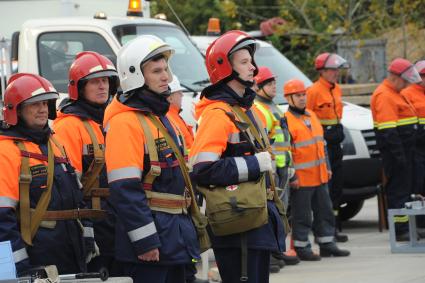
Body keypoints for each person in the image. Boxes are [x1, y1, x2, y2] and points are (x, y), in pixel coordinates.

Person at [189, 30, 286, 283]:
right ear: (224, 68)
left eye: (251, 61)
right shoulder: (217, 114)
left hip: (253, 221)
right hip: (238, 227)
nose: (253, 67)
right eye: (244, 62)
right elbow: (202, 169)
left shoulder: (244, 110)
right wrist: (255, 164)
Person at [103, 35, 201, 283]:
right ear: (135, 75)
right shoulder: (125, 123)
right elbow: (125, 190)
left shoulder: (159, 117)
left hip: (174, 237)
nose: (166, 76)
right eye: (156, 71)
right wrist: (145, 242)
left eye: (166, 69)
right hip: (151, 248)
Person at [0, 73, 96, 274]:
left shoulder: (54, 143)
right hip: (36, 255)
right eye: (35, 104)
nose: (43, 109)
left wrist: (87, 237)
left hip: (71, 250)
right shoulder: (6, 151)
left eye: (45, 103)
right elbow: (2, 217)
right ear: (16, 109)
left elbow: (78, 198)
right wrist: (18, 266)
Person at [52, 51, 121, 275]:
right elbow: (70, 187)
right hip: (93, 222)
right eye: (95, 82)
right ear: (79, 87)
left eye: (106, 81)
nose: (103, 87)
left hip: (115, 218)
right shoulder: (69, 126)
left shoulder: (111, 120)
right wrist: (87, 230)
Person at [283, 79, 350, 261]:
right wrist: (293, 176)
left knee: (325, 212)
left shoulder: (312, 116)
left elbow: (322, 145)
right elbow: (286, 152)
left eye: (303, 94)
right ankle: (302, 246)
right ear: (288, 98)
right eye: (298, 95)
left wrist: (327, 168)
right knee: (302, 215)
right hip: (302, 179)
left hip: (320, 176)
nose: (302, 98)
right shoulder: (286, 121)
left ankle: (327, 244)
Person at [252, 66, 299, 269]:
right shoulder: (259, 109)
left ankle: (277, 252)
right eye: (269, 84)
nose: (273, 87)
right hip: (271, 170)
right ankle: (270, 255)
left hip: (282, 168)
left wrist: (291, 165)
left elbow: (285, 139)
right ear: (259, 86)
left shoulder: (273, 107)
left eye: (274, 83)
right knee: (270, 213)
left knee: (281, 212)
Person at [371, 58, 421, 241]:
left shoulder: (397, 93)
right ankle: (400, 230)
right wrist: (400, 157)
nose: (407, 83)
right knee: (398, 192)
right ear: (395, 77)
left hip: (406, 152)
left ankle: (408, 226)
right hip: (397, 154)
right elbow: (388, 132)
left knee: (406, 191)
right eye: (405, 80)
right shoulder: (385, 95)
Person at [306, 52, 349, 242]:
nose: (336, 73)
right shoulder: (313, 91)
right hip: (323, 146)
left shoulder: (337, 89)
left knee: (337, 187)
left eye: (337, 70)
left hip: (336, 143)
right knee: (326, 188)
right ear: (322, 71)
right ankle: (324, 229)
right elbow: (306, 119)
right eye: (332, 70)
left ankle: (335, 226)